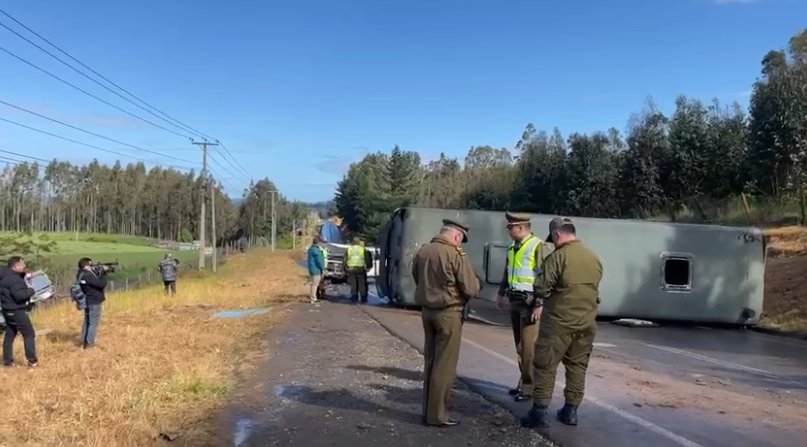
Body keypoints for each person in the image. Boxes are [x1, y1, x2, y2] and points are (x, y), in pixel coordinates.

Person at [521, 217, 603, 429]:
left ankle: (539, 412)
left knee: (545, 364)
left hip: (559, 323)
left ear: (557, 235)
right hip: (586, 323)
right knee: (577, 365)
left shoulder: (558, 257)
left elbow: (541, 288)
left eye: (553, 239)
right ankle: (571, 411)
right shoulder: (593, 257)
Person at [411, 219, 481, 427]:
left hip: (427, 313)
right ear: (457, 236)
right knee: (444, 366)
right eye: (461, 240)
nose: (460, 244)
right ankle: (438, 415)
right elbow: (470, 288)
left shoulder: (423, 251)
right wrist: (477, 284)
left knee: (431, 362)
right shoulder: (455, 254)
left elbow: (417, 277)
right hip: (449, 313)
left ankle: (427, 412)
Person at [495, 211, 554, 403]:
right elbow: (508, 271)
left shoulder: (538, 246)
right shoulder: (513, 247)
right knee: (520, 346)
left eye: (510, 227)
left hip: (530, 304)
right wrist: (501, 293)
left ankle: (530, 388)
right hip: (515, 300)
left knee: (529, 348)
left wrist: (540, 303)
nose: (508, 230)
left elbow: (545, 277)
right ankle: (523, 382)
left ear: (521, 227)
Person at [0, 256, 37, 367]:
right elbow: (20, 296)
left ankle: (8, 361)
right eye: (22, 265)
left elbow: (13, 285)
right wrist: (31, 291)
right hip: (17, 311)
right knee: (29, 333)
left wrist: (25, 274)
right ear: (16, 266)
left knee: (10, 334)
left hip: (7, 310)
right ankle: (32, 361)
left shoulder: (4, 277)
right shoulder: (15, 281)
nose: (24, 266)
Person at [77, 257, 110, 350]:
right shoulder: (88, 275)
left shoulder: (80, 274)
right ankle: (89, 344)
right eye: (91, 265)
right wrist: (103, 273)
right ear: (87, 266)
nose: (92, 266)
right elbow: (101, 284)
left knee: (87, 321)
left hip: (87, 300)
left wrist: (97, 271)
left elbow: (93, 283)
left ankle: (83, 341)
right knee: (93, 323)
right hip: (94, 301)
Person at [343, 238, 369, 303]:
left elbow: (345, 259)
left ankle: (354, 296)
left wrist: (345, 268)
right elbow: (367, 259)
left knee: (353, 283)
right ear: (358, 242)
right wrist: (368, 267)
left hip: (351, 268)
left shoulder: (349, 249)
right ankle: (363, 297)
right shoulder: (362, 250)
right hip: (360, 268)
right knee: (362, 284)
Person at [307, 236, 326, 304]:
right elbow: (319, 261)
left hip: (312, 268)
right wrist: (322, 268)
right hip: (316, 269)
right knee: (315, 284)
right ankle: (313, 298)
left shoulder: (311, 249)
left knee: (313, 284)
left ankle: (313, 297)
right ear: (318, 243)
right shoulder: (316, 251)